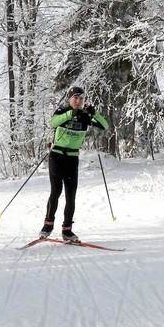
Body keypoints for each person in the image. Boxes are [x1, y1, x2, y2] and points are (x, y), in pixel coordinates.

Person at [40, 86, 110, 243]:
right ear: (70, 99)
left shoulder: (85, 117)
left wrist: (94, 113)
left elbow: (105, 126)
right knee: (55, 192)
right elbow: (53, 122)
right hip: (57, 156)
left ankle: (67, 230)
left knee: (71, 196)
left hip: (72, 159)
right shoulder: (62, 110)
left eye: (81, 98)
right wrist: (71, 114)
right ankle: (47, 226)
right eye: (75, 98)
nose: (78, 101)